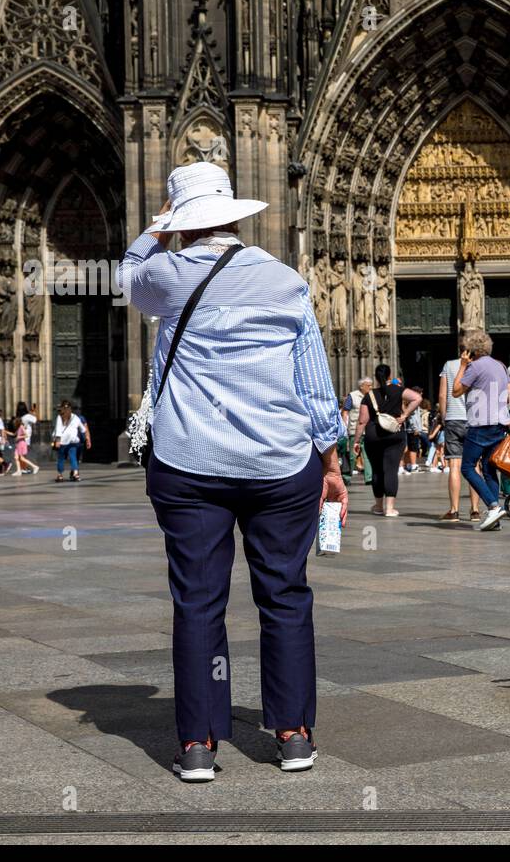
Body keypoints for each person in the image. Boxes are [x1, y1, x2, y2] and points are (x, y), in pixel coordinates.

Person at [117, 160, 346, 781]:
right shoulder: (284, 280)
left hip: (192, 463)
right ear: (233, 217)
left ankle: (198, 744)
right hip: (279, 464)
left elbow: (123, 278)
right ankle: (294, 734)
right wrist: (330, 457)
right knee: (286, 596)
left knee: (197, 603)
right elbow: (313, 380)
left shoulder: (163, 274)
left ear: (184, 222)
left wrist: (155, 229)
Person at [453, 328, 510, 532]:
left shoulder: (476, 367)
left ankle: (493, 506)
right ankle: (494, 518)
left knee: (467, 467)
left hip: (481, 423)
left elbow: (455, 391)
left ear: (472, 349)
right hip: (499, 423)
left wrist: (462, 366)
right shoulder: (501, 366)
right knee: (489, 469)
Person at [355, 363, 421, 516]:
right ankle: (390, 508)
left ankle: (378, 506)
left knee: (377, 470)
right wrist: (405, 415)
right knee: (390, 470)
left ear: (376, 378)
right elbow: (417, 398)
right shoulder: (398, 390)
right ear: (390, 376)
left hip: (374, 435)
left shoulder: (369, 395)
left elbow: (362, 421)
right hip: (394, 434)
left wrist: (357, 441)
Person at [438, 341, 481, 522]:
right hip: (474, 420)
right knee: (475, 466)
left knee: (454, 466)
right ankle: (475, 510)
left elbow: (442, 394)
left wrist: (443, 416)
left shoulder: (448, 365)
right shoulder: (478, 367)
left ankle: (454, 510)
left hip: (453, 419)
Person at [345, 377, 373, 480]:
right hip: (354, 429)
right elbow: (345, 411)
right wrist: (344, 426)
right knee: (353, 455)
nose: (371, 387)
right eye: (368, 385)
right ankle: (346, 476)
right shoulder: (352, 396)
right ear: (361, 386)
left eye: (371, 385)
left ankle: (369, 478)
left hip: (368, 429)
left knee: (368, 454)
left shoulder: (372, 396)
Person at [52, 400, 84, 482]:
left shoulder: (60, 417)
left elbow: (58, 429)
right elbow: (83, 429)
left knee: (61, 458)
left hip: (63, 441)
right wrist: (86, 438)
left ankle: (60, 475)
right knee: (73, 457)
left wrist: (58, 440)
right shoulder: (75, 417)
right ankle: (76, 474)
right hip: (73, 441)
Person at [13, 401, 40, 475]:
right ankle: (23, 468)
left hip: (21, 436)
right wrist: (35, 412)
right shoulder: (27, 416)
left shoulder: (19, 417)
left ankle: (23, 468)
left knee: (20, 454)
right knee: (21, 454)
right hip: (25, 436)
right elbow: (36, 420)